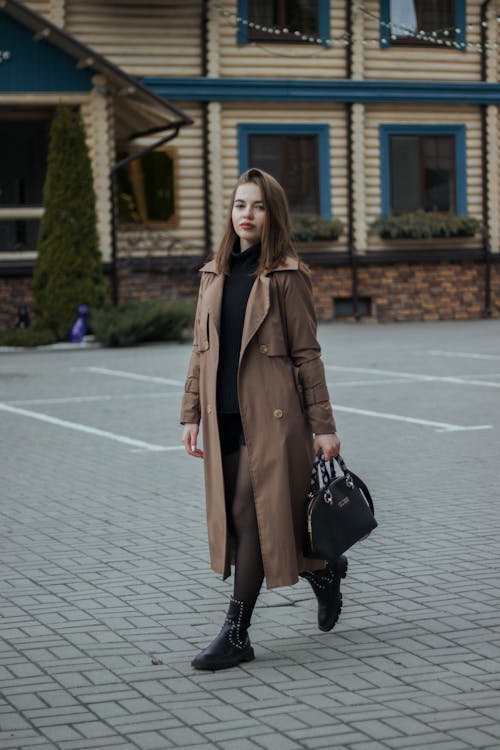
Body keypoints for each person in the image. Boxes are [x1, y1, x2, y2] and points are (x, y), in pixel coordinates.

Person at [180, 167, 347, 671]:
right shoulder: (213, 273)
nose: (245, 215)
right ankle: (323, 572)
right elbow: (199, 351)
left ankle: (236, 633)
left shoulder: (287, 277)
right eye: (238, 205)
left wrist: (324, 426)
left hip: (274, 421)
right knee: (238, 517)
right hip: (223, 417)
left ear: (272, 214)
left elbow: (307, 355)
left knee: (251, 517)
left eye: (255, 206)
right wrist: (189, 413)